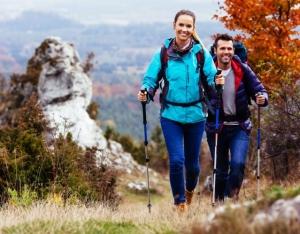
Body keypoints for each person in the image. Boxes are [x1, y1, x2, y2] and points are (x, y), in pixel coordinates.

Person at [137, 9, 220, 213]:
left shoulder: (200, 53)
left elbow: (211, 78)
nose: (184, 29)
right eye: (181, 25)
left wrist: (216, 82)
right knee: (176, 161)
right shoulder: (163, 53)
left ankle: (189, 192)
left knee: (192, 166)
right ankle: (179, 204)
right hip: (170, 115)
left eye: (188, 26)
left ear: (193, 29)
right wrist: (146, 93)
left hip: (195, 115)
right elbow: (150, 80)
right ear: (174, 25)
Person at [206, 33, 268, 203]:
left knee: (238, 165)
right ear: (216, 50)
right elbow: (200, 95)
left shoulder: (242, 69)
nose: (226, 52)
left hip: (239, 126)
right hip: (216, 126)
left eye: (229, 48)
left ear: (233, 50)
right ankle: (218, 204)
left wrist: (262, 98)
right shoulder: (208, 70)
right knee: (220, 170)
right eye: (222, 48)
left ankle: (230, 200)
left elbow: (259, 89)